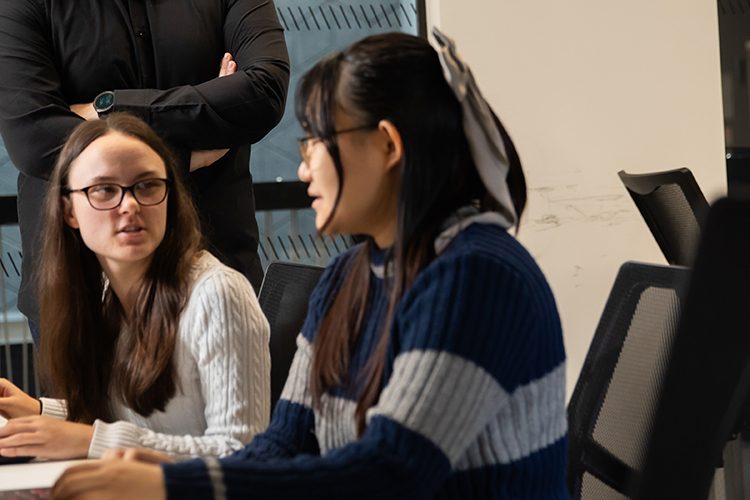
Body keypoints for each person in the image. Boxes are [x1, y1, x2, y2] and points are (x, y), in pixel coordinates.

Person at [52, 29, 568, 499]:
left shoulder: (475, 273)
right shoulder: (349, 275)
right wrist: (169, 476)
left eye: (318, 140)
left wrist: (171, 484)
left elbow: (391, 472)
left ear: (388, 145)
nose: (303, 165)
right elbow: (284, 442)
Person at [0, 0, 289, 344]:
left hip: (216, 273)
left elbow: (263, 92)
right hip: (81, 289)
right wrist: (187, 153)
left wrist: (106, 109)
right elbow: (34, 138)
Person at [0, 113, 271, 460]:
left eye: (147, 186)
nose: (130, 205)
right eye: (104, 190)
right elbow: (134, 419)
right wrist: (40, 413)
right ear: (69, 211)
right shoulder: (100, 289)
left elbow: (241, 454)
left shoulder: (218, 294)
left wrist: (90, 441)